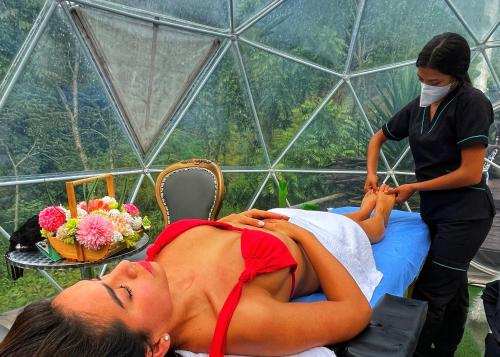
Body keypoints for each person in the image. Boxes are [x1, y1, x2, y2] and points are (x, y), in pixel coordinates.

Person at [0, 188, 395, 357]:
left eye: (102, 278)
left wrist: (227, 222)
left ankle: (362, 211)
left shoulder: (154, 281)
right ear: (154, 347)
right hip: (319, 237)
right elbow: (354, 312)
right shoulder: (237, 320)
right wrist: (299, 234)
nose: (123, 267)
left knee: (352, 215)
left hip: (265, 221)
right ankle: (372, 220)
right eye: (123, 293)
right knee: (364, 229)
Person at [364, 32, 495, 357]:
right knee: (453, 285)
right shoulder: (420, 106)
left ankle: (415, 351)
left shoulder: (471, 104)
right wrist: (371, 174)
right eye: (421, 78)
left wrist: (413, 187)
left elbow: (470, 172)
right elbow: (378, 138)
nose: (426, 85)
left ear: (456, 75)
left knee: (431, 293)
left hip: (465, 216)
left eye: (434, 79)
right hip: (435, 213)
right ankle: (446, 347)